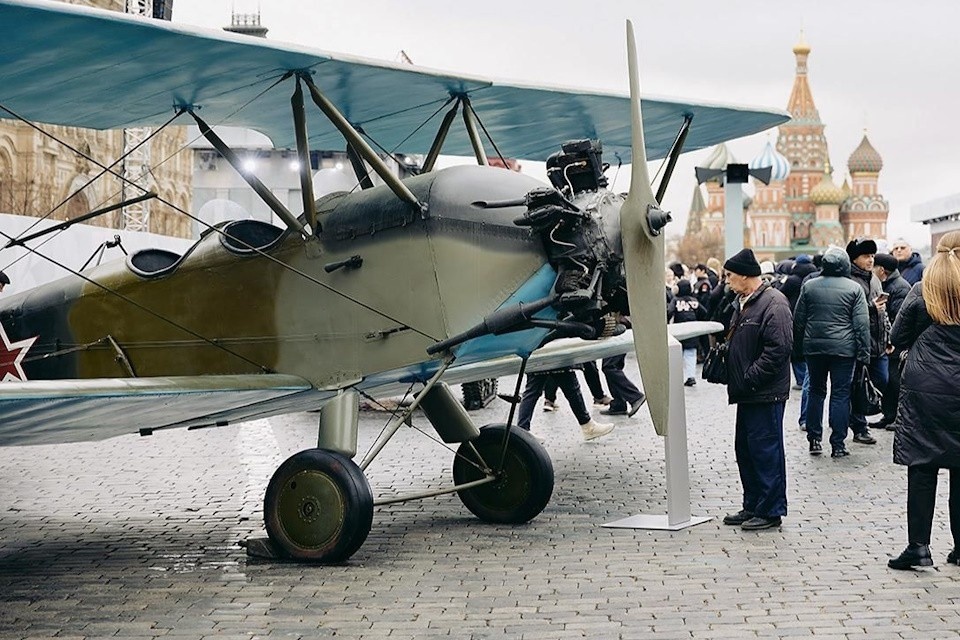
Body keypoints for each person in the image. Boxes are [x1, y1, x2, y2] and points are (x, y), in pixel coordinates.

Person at [886, 230, 960, 570]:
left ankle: (919, 547)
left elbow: (897, 336)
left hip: (925, 387)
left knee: (922, 466)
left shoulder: (922, 290)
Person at [720, 248, 793, 531]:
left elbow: (779, 349)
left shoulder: (773, 303)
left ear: (745, 276)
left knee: (766, 451)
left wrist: (751, 377)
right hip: (748, 391)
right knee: (747, 450)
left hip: (764, 391)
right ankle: (753, 504)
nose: (726, 281)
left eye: (729, 275)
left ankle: (771, 510)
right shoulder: (745, 302)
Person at [793, 247, 871, 457]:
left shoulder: (809, 286)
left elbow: (799, 320)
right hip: (844, 350)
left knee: (816, 391)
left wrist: (798, 349)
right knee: (841, 394)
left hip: (815, 349)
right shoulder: (854, 289)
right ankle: (838, 443)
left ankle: (814, 439)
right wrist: (864, 353)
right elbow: (862, 325)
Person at [846, 238, 887, 446]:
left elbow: (883, 311)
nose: (871, 260)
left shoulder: (874, 279)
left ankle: (859, 417)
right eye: (865, 256)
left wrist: (887, 336)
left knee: (881, 379)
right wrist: (871, 308)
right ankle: (859, 426)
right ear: (854, 259)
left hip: (878, 341)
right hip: (859, 342)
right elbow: (849, 312)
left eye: (872, 256)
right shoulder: (849, 280)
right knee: (858, 385)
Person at [516, 368, 614, 441]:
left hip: (539, 354)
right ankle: (588, 426)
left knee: (533, 390)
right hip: (553, 354)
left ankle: (522, 432)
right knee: (572, 388)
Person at [872, 252, 912, 430]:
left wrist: (892, 341)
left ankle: (897, 417)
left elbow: (899, 319)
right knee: (888, 381)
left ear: (881, 270)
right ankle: (888, 415)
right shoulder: (888, 284)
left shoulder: (899, 287)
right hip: (888, 342)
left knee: (895, 382)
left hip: (896, 344)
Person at [668, 279, 706, 386]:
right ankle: (691, 376)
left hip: (679, 330)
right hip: (693, 331)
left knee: (676, 354)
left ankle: (676, 376)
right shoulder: (694, 300)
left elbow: (669, 312)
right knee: (691, 354)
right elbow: (704, 312)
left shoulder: (676, 300)